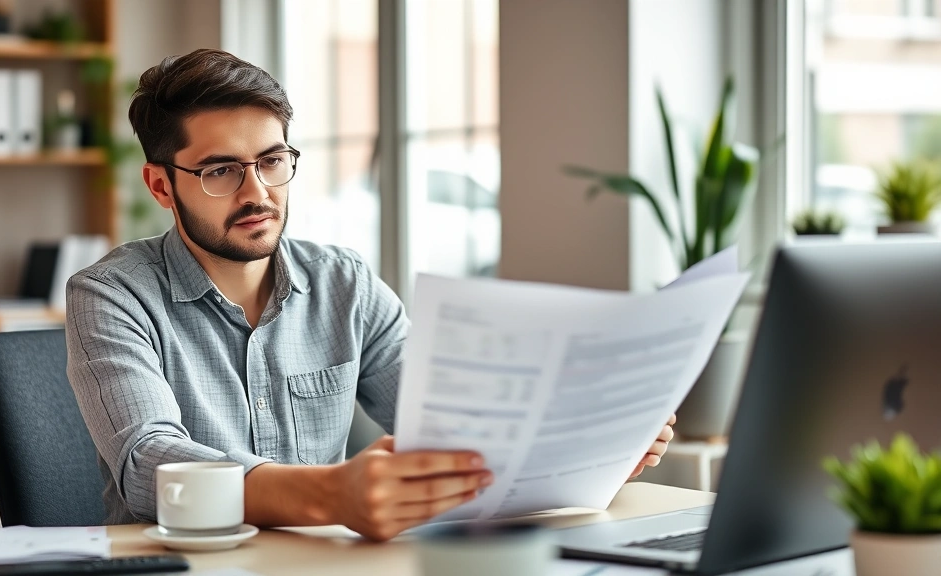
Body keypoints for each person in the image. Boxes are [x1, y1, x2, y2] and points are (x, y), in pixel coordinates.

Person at [66, 48, 675, 542]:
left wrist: (590, 442)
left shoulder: (344, 283)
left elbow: (453, 424)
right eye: (221, 171)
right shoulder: (111, 294)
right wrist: (332, 492)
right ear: (162, 186)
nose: (258, 192)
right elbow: (151, 465)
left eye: (272, 161)